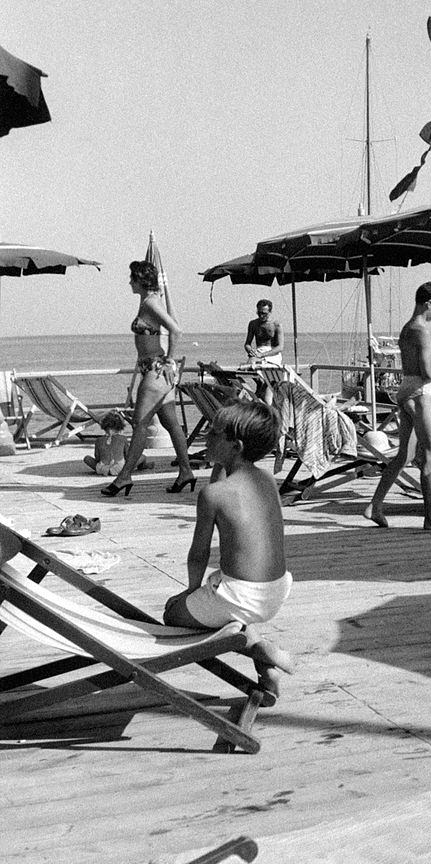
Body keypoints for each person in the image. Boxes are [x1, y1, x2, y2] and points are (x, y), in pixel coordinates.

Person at [163, 400, 294, 696]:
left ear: (235, 446)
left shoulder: (214, 494)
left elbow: (199, 553)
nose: (206, 437)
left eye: (213, 433)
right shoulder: (267, 480)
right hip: (276, 589)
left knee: (173, 615)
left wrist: (190, 591)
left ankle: (260, 649)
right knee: (232, 610)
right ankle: (266, 669)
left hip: (241, 594)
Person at [363, 281, 431, 531]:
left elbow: (415, 366)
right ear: (428, 303)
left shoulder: (407, 329)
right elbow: (428, 372)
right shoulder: (422, 332)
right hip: (420, 395)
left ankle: (374, 506)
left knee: (405, 455)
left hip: (406, 390)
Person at [102, 261, 196, 497]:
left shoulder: (151, 303)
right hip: (153, 370)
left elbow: (176, 330)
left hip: (155, 369)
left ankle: (124, 477)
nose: (129, 282)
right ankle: (186, 471)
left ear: (141, 280)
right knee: (171, 424)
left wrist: (170, 361)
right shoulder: (148, 300)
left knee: (139, 423)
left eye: (132, 278)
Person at [83, 409, 149, 475]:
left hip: (102, 469)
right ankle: (143, 466)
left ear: (104, 427)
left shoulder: (99, 440)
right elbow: (128, 455)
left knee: (87, 458)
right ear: (119, 427)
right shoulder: (122, 438)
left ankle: (107, 471)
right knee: (142, 457)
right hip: (120, 469)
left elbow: (97, 457)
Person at [243, 300, 283, 367]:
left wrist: (262, 355)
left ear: (270, 312)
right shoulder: (253, 324)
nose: (261, 316)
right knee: (248, 366)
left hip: (272, 354)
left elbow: (280, 347)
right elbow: (247, 344)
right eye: (259, 313)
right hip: (258, 352)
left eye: (264, 313)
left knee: (261, 365)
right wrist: (250, 351)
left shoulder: (276, 325)